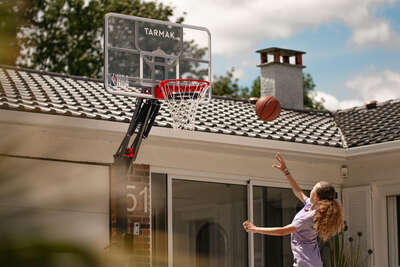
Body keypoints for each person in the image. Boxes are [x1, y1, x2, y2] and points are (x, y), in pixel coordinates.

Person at [243, 153, 344, 267]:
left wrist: (255, 229)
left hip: (306, 264)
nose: (311, 190)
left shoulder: (309, 217)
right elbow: (298, 192)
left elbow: (282, 231)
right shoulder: (311, 206)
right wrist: (285, 171)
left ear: (316, 197)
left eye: (313, 189)